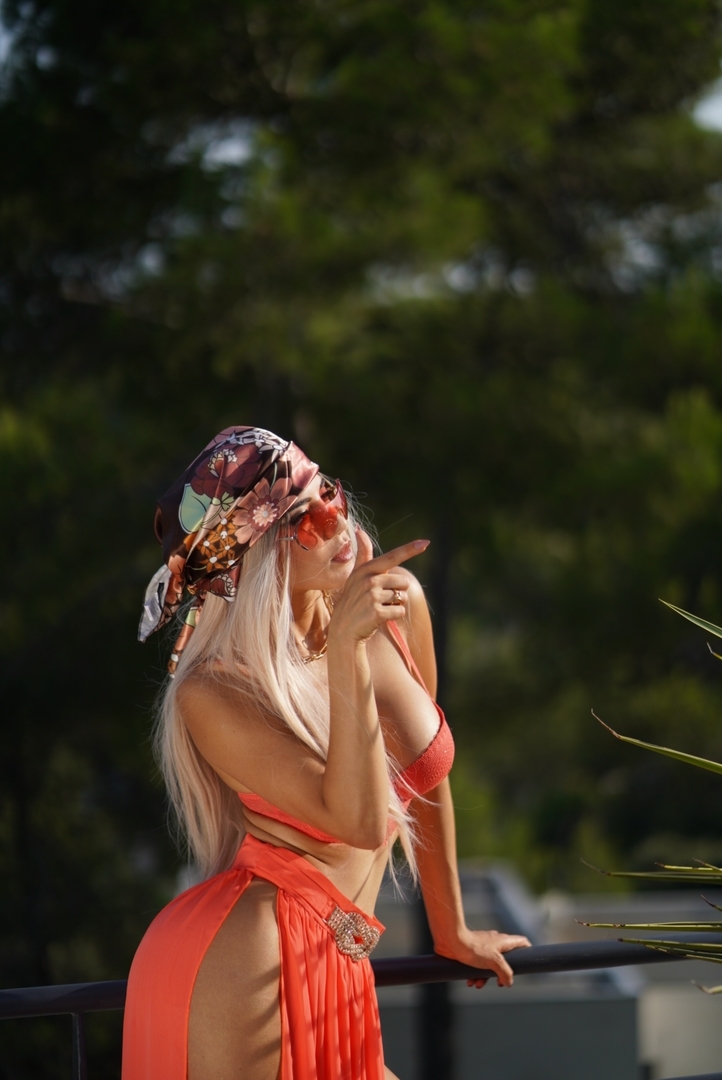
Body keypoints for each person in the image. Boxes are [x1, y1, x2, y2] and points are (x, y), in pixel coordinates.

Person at [122, 425, 529, 1080]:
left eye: (328, 493)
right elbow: (360, 820)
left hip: (342, 964)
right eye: (299, 521)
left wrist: (450, 928)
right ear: (250, 564)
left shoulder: (397, 604)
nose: (336, 521)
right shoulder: (215, 692)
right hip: (250, 963)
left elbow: (423, 778)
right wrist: (347, 651)